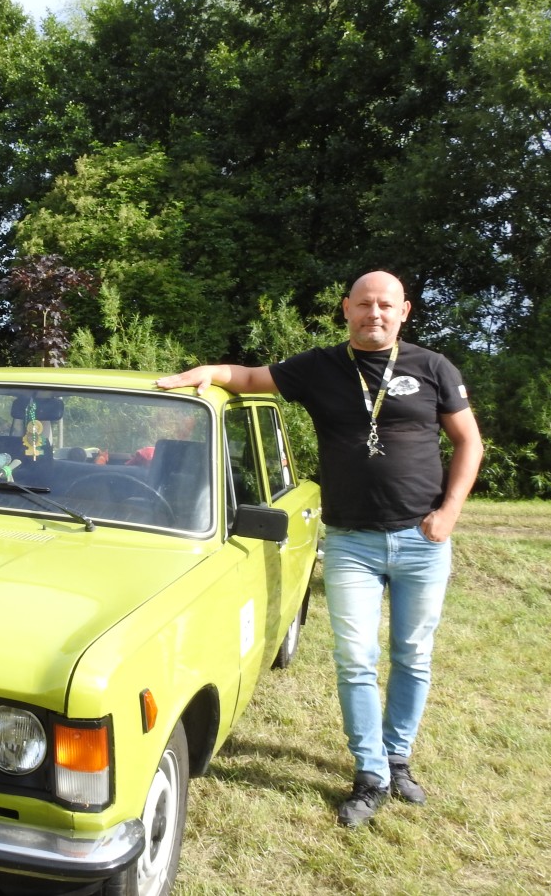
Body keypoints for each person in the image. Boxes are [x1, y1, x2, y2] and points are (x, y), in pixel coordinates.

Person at [155, 270, 483, 827]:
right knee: (356, 659)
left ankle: (398, 758)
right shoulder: (319, 367)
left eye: (386, 305)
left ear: (404, 311)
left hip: (422, 540)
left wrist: (449, 512)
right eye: (364, 304)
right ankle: (371, 773)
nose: (374, 313)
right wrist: (209, 372)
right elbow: (250, 377)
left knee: (412, 654)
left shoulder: (433, 367)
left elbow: (468, 441)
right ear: (346, 308)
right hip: (352, 541)